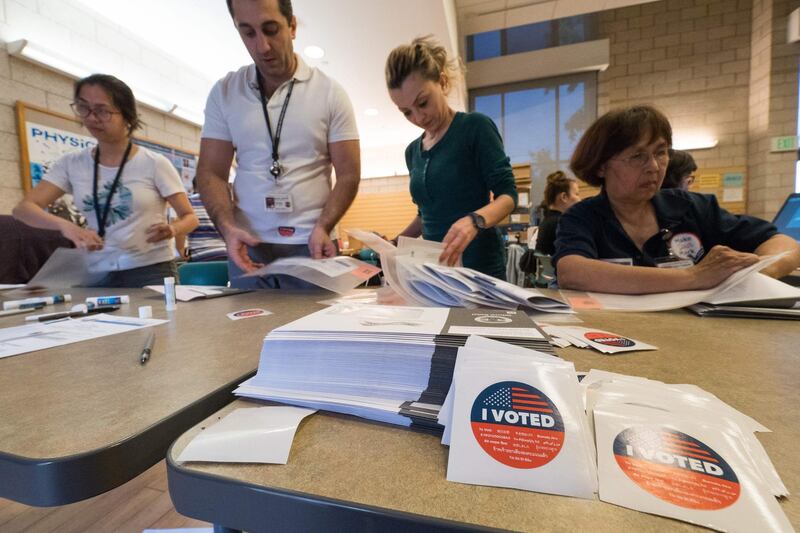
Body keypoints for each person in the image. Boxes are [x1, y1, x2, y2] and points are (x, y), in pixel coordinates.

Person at [198, 0, 360, 289]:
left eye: (271, 30)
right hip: (248, 246)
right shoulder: (225, 92)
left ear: (292, 26)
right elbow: (211, 173)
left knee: (313, 332)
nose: (262, 46)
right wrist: (228, 229)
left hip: (313, 245)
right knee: (247, 333)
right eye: (248, 33)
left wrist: (324, 225)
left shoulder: (330, 93)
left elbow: (348, 174)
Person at [553, 105, 800, 294]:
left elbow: (784, 242)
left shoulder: (691, 207)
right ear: (601, 166)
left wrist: (759, 271)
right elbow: (573, 271)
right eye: (637, 156)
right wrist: (695, 276)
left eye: (660, 153)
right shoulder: (583, 216)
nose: (653, 167)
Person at [13, 74, 198, 288]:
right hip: (96, 270)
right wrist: (68, 228)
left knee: (159, 321)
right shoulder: (72, 164)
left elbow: (190, 217)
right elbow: (24, 209)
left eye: (102, 111)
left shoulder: (153, 163)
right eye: (83, 108)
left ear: (126, 115)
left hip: (150, 269)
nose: (91, 118)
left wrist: (172, 229)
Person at [385, 37, 517, 280]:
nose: (418, 117)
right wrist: (395, 243)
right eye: (406, 112)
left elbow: (508, 197)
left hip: (480, 266)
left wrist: (474, 221)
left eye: (422, 103)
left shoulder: (474, 128)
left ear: (442, 82)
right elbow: (425, 215)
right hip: (438, 268)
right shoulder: (412, 152)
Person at [534, 171, 581, 256]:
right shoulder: (562, 223)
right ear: (564, 197)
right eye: (577, 194)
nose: (579, 199)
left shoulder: (547, 221)